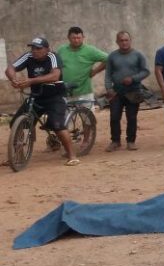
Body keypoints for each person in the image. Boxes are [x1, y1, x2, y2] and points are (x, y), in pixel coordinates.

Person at [5, 37, 79, 166]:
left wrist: (30, 81)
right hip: (36, 96)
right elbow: (10, 68)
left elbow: (55, 75)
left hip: (55, 96)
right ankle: (17, 155)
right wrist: (14, 79)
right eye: (33, 48)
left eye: (38, 48)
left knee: (57, 125)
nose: (35, 51)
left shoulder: (53, 56)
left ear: (47, 49)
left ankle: (72, 155)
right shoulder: (28, 57)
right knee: (16, 122)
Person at [104, 31, 150, 152]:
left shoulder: (138, 55)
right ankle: (115, 141)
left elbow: (145, 71)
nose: (124, 42)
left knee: (131, 117)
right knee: (114, 117)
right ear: (117, 42)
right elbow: (108, 74)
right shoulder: (112, 56)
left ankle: (131, 141)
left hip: (133, 91)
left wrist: (133, 79)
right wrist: (108, 88)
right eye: (121, 40)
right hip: (116, 92)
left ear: (130, 40)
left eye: (126, 40)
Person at [56, 26, 107, 106]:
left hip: (84, 93)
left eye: (79, 38)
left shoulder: (90, 50)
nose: (76, 40)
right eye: (74, 38)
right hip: (65, 93)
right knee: (65, 118)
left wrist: (95, 71)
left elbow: (108, 59)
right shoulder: (62, 50)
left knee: (87, 118)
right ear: (68, 38)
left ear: (83, 38)